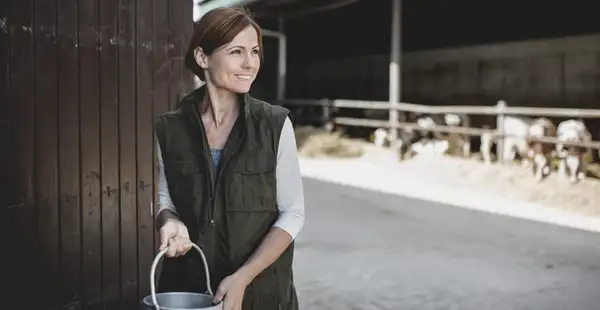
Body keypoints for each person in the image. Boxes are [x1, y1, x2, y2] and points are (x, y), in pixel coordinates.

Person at [153, 6, 306, 310]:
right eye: (236, 51)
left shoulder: (274, 125)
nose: (250, 63)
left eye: (254, 51)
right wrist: (170, 222)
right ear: (202, 58)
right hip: (189, 290)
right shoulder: (169, 129)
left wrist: (243, 277)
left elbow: (293, 213)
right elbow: (165, 200)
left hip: (262, 293)